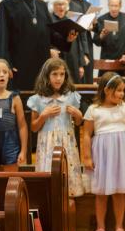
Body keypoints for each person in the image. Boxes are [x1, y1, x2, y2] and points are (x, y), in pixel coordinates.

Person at [82, 72, 125, 231]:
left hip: (121, 153)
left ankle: (119, 227)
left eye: (123, 91)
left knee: (119, 191)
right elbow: (86, 134)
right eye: (119, 91)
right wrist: (87, 156)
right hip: (102, 153)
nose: (122, 94)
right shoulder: (94, 110)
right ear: (107, 90)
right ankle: (100, 228)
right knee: (101, 192)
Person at [0, 0, 76, 90]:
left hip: (42, 63)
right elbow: (2, 37)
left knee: (43, 99)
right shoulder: (7, 5)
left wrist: (67, 40)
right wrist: (6, 64)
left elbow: (51, 33)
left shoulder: (41, 5)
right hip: (20, 63)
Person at [27, 58, 85, 197]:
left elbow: (78, 123)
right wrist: (43, 116)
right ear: (46, 76)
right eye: (54, 74)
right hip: (47, 144)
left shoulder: (71, 96)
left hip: (67, 142)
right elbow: (34, 128)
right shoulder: (38, 99)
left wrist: (78, 115)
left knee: (67, 173)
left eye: (62, 74)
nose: (59, 78)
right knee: (49, 176)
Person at [49, 0, 86, 83]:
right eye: (58, 4)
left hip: (72, 60)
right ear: (52, 6)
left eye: (63, 4)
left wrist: (80, 65)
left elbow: (78, 44)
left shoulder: (70, 21)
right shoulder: (49, 21)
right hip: (57, 59)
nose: (61, 7)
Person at [92, 0, 125, 74]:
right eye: (111, 5)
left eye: (116, 6)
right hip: (107, 59)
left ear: (120, 6)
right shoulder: (101, 19)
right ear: (108, 5)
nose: (113, 8)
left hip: (123, 58)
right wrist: (102, 35)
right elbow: (96, 41)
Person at [70, 0, 95, 83]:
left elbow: (95, 28)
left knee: (88, 74)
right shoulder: (70, 4)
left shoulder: (88, 5)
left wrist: (94, 24)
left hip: (87, 43)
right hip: (76, 42)